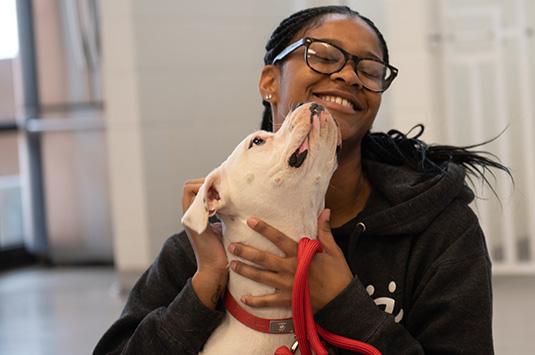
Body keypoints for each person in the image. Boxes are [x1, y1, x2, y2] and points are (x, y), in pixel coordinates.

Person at [94, 5, 510, 354]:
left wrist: (342, 301)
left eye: (369, 69)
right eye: (325, 57)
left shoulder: (440, 231)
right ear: (270, 82)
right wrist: (205, 286)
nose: (349, 76)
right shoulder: (209, 242)